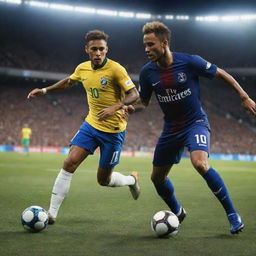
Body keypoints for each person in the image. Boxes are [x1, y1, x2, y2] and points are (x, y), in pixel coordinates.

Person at [139, 21, 256, 234]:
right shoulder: (147, 73)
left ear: (164, 43)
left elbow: (221, 74)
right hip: (171, 129)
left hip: (195, 123)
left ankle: (232, 214)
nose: (146, 49)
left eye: (151, 44)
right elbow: (143, 102)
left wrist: (244, 96)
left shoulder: (189, 61)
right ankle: (178, 211)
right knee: (156, 178)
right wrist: (126, 108)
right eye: (145, 45)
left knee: (200, 164)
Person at [27, 30, 140, 224]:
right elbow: (69, 82)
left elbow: (134, 93)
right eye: (94, 49)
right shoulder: (83, 68)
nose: (98, 53)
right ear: (87, 49)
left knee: (103, 180)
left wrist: (116, 106)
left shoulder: (116, 69)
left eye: (101, 49)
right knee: (69, 163)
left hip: (113, 132)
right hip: (91, 125)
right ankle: (52, 214)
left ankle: (132, 180)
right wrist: (45, 90)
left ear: (107, 50)